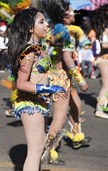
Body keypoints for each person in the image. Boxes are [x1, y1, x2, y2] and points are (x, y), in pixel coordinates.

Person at [8, 8, 65, 171]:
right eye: (41, 22)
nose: (46, 24)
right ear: (30, 28)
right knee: (35, 151)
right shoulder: (29, 51)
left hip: (38, 103)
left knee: (38, 150)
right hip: (29, 104)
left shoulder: (38, 48)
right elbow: (21, 83)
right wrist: (49, 88)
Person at [42, 0, 90, 162]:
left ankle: (76, 135)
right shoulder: (66, 34)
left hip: (59, 77)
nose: (75, 13)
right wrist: (81, 80)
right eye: (72, 10)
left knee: (77, 105)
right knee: (59, 118)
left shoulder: (55, 31)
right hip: (61, 79)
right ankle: (48, 150)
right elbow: (68, 60)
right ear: (65, 15)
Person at [92, 4, 108, 119]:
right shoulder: (103, 28)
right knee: (106, 85)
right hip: (104, 59)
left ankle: (104, 105)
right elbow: (104, 44)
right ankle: (99, 109)